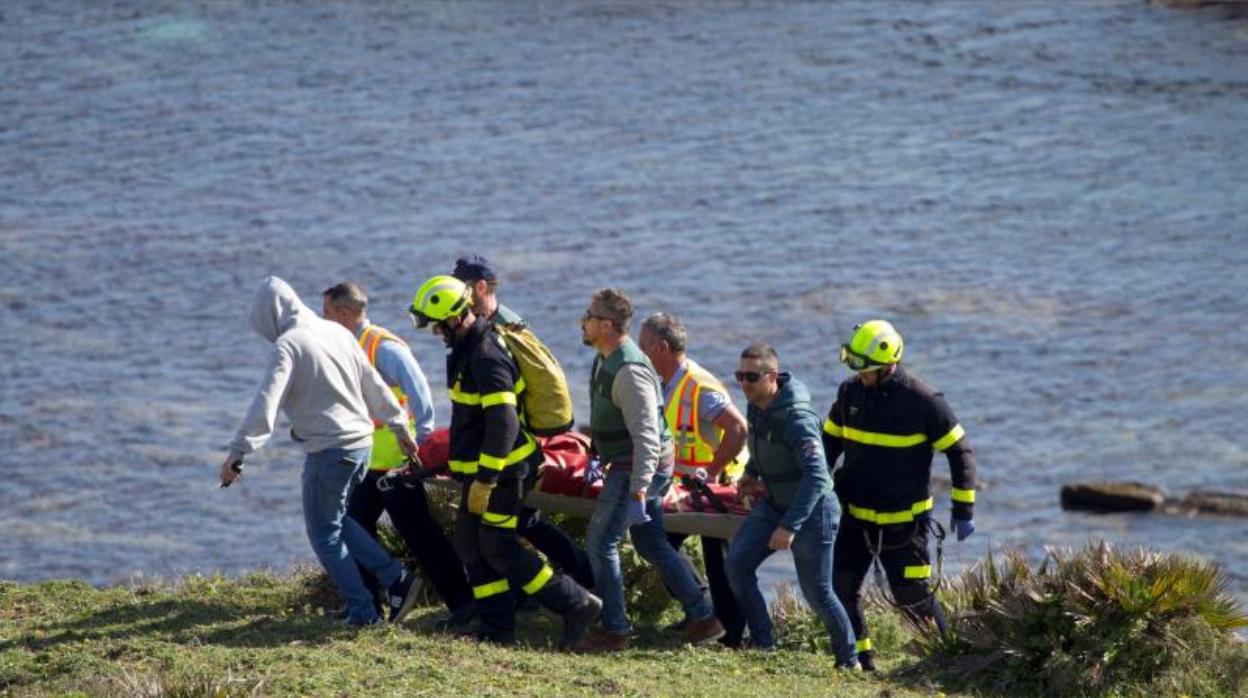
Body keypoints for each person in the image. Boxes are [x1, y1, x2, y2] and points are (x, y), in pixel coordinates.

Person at [408, 274, 601, 648]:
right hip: (484, 471)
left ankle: (576, 603)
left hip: (505, 471)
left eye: (437, 325)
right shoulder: (466, 350)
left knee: (496, 544)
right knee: (469, 542)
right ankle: (498, 627)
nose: (435, 333)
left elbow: (503, 423)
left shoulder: (486, 355)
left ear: (455, 318)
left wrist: (486, 479)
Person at [218, 276, 422, 626]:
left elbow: (265, 405)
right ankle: (396, 578)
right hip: (361, 446)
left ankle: (364, 611)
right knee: (338, 520)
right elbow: (372, 383)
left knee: (323, 535)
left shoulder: (289, 345)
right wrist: (399, 425)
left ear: (271, 315)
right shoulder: (336, 332)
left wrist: (237, 453)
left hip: (330, 451)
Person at [824, 320, 978, 672]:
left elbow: (961, 452)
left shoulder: (924, 402)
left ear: (889, 364)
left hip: (904, 525)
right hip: (854, 517)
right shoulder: (850, 393)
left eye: (869, 371)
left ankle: (947, 659)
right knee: (841, 588)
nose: (862, 377)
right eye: (859, 370)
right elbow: (827, 444)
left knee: (912, 597)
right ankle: (860, 661)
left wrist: (963, 507)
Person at [577, 288, 724, 652]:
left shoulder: (629, 371)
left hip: (639, 468)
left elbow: (646, 437)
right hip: (630, 464)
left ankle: (615, 630)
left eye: (590, 316)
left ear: (607, 325)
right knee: (649, 540)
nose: (584, 321)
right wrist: (596, 452)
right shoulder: (604, 358)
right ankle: (704, 616)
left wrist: (640, 490)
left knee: (601, 542)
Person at [321, 282, 474, 628]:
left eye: (327, 312)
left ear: (345, 314)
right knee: (356, 529)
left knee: (419, 534)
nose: (322, 318)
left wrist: (421, 446)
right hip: (366, 462)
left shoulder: (383, 348)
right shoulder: (347, 344)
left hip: (397, 464)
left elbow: (420, 394)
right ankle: (366, 604)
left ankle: (463, 603)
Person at [451, 254, 594, 590]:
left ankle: (576, 591)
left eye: (463, 289)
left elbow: (508, 402)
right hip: (513, 447)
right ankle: (583, 580)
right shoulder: (499, 324)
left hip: (514, 450)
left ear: (481, 287)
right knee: (526, 523)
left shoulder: (498, 331)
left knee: (510, 530)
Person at [725, 343, 857, 668]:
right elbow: (760, 445)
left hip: (812, 512)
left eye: (751, 377)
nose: (743, 383)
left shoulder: (797, 419)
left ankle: (848, 659)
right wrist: (750, 474)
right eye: (740, 375)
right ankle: (763, 643)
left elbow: (816, 477)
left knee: (818, 593)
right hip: (774, 503)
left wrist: (790, 526)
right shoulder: (757, 404)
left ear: (771, 376)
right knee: (737, 565)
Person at [637, 312, 749, 647]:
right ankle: (701, 611)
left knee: (720, 562)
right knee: (661, 543)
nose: (638, 352)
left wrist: (713, 471)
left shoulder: (698, 386)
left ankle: (731, 634)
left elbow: (739, 429)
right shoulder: (665, 381)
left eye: (643, 346)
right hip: (684, 487)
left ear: (661, 348)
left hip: (717, 488)